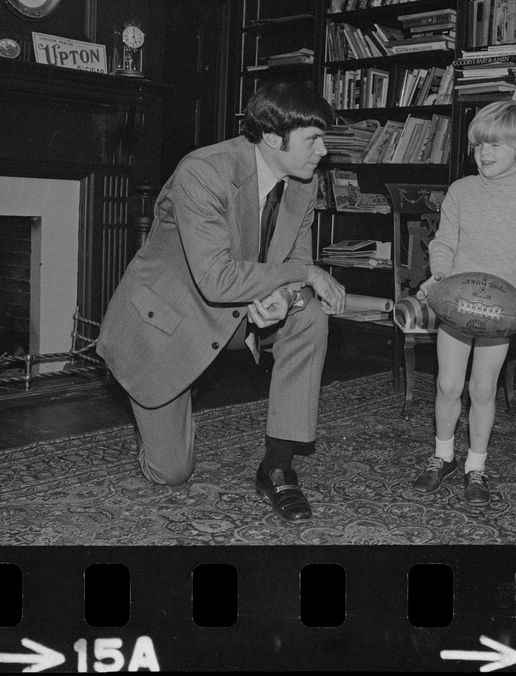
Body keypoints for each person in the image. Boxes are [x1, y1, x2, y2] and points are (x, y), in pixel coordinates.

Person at [97, 82, 346, 522]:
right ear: (273, 138)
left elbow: (295, 261)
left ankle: (277, 466)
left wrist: (286, 297)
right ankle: (170, 390)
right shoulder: (203, 171)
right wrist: (302, 276)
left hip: (239, 315)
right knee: (170, 472)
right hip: (172, 324)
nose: (323, 151)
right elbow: (216, 280)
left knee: (310, 316)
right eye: (313, 139)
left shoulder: (305, 182)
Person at [412, 100, 516, 505]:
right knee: (447, 383)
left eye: (493, 145)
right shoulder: (461, 190)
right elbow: (444, 241)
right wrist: (438, 276)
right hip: (456, 304)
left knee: (483, 387)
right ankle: (442, 457)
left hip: (499, 311)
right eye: (477, 146)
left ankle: (476, 466)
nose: (483, 154)